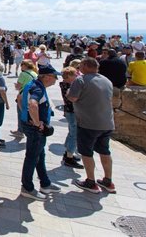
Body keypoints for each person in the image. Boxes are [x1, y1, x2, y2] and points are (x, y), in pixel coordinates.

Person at [68, 57, 116, 194]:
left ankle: (90, 181)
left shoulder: (81, 80)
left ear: (85, 66)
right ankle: (108, 181)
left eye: (81, 65)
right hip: (107, 123)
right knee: (105, 151)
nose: (79, 68)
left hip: (88, 123)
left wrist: (68, 92)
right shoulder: (107, 81)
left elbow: (72, 98)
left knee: (86, 153)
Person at [19, 64, 61, 200]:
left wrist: (25, 116)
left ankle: (45, 183)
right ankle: (27, 187)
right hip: (36, 129)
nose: (56, 80)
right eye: (55, 77)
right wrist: (37, 123)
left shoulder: (32, 84)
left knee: (39, 155)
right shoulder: (38, 88)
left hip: (30, 125)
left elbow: (19, 99)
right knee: (32, 156)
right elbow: (32, 104)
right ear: (47, 77)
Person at [60, 67, 83, 168]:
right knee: (74, 134)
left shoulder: (65, 84)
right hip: (72, 111)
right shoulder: (69, 86)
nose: (76, 76)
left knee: (71, 132)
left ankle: (68, 153)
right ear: (69, 76)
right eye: (74, 75)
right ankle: (69, 157)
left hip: (69, 111)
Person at [11, 60, 38, 139]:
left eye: (22, 65)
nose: (21, 66)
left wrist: (16, 85)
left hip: (23, 95)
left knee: (20, 112)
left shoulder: (23, 74)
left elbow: (18, 87)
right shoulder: (34, 73)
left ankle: (20, 131)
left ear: (25, 66)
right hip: (32, 96)